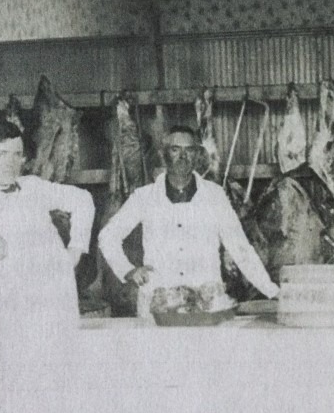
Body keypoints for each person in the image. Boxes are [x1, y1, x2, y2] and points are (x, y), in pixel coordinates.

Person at [0, 120, 95, 356]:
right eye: (1, 154)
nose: (11, 162)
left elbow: (83, 200)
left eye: (17, 154)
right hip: (15, 317)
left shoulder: (34, 187)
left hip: (61, 305)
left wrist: (76, 250)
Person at [98, 125, 279, 317]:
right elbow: (108, 236)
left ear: (197, 155)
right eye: (175, 149)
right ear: (163, 154)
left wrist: (271, 291)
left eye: (189, 150)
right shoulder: (144, 197)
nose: (183, 157)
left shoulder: (214, 195)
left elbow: (240, 248)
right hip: (159, 305)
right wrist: (128, 270)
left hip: (207, 304)